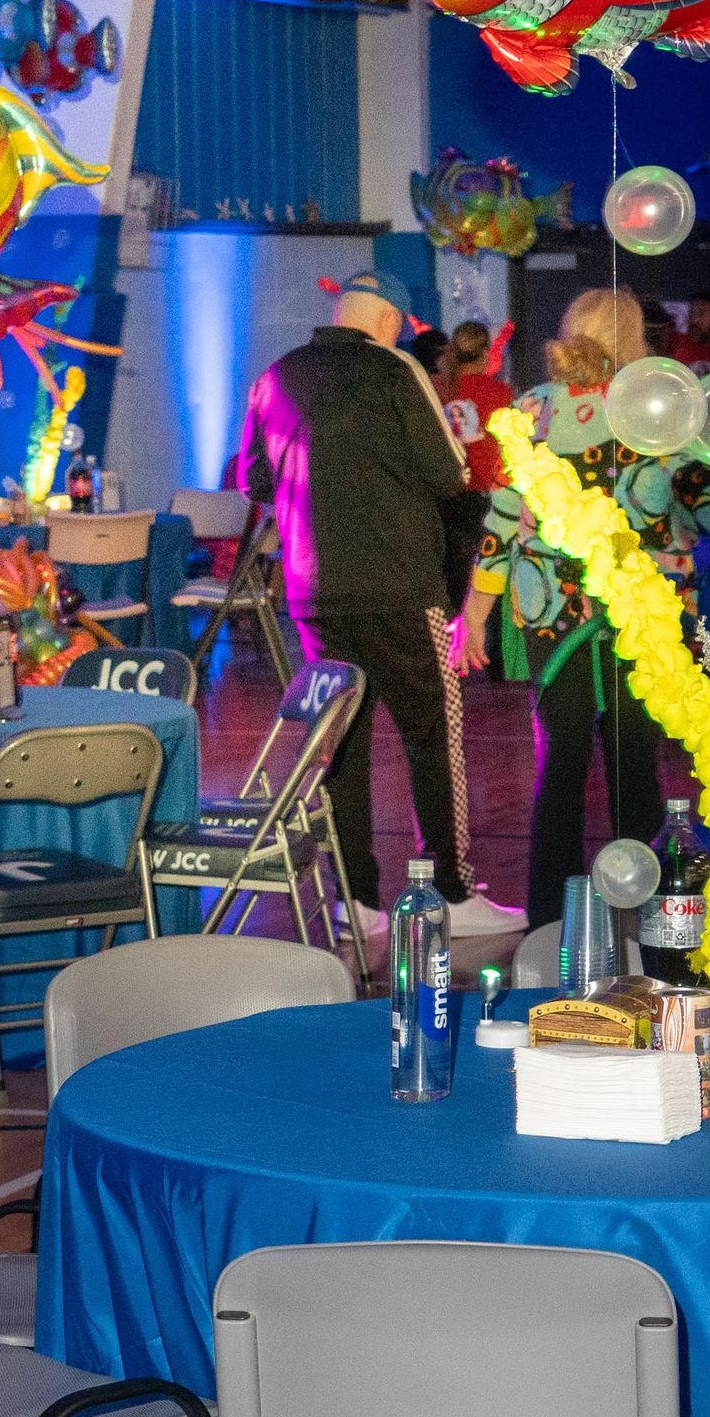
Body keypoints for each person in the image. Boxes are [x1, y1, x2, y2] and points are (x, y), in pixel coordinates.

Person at [240, 268, 519, 944]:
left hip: (312, 590)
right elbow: (446, 471)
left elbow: (252, 478)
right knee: (432, 733)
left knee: (341, 747)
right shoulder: (396, 372)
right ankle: (449, 892)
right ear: (391, 320)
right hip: (399, 585)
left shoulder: (274, 377)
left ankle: (355, 901)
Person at [472, 287, 710, 931]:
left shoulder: (534, 410)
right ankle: (657, 920)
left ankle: (550, 922)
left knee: (560, 767)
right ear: (635, 338)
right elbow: (699, 492)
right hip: (643, 609)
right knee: (635, 764)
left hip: (552, 611)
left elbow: (505, 517)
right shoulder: (655, 407)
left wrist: (477, 614)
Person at [441, 317, 513, 496]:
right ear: (486, 353)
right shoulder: (501, 392)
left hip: (455, 488)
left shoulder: (442, 391)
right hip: (493, 487)